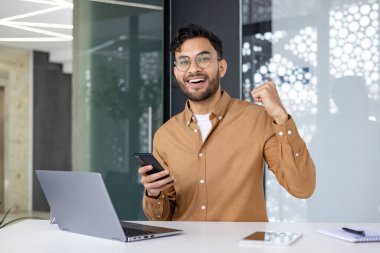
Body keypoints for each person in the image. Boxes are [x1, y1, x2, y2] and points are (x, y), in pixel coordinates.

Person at [138, 23, 316, 222]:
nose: (193, 69)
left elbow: (302, 187)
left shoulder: (257, 119)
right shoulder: (165, 135)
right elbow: (162, 219)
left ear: (221, 67)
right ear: (176, 72)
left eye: (203, 59)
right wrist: (153, 193)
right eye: (183, 62)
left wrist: (281, 118)